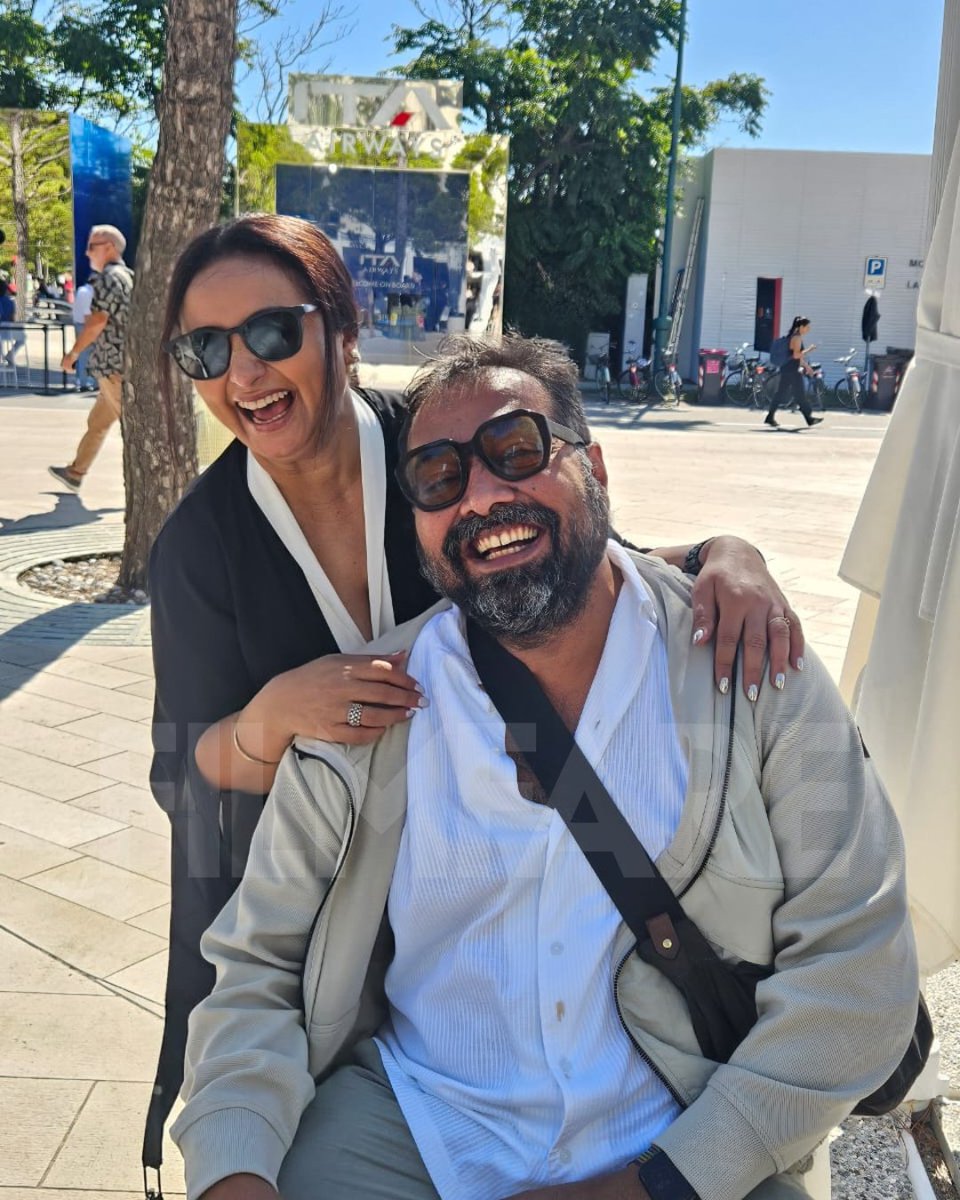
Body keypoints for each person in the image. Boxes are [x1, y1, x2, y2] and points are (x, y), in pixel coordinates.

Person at [171, 332, 918, 1200]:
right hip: (413, 1127)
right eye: (439, 478)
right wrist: (232, 1170)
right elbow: (256, 969)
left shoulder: (750, 666)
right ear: (418, 524)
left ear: (595, 468)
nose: (483, 494)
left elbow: (858, 967)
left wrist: (658, 1185)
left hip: (683, 1138)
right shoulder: (368, 717)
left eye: (516, 450)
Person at [47, 225, 133, 491]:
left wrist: (73, 354)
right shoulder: (127, 276)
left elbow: (97, 322)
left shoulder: (109, 278)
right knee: (97, 423)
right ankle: (75, 472)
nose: (86, 254)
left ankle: (146, 485)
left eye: (91, 247)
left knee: (136, 431)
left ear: (109, 247)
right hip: (117, 365)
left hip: (113, 367)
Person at [764, 316, 823, 430]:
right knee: (799, 395)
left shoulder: (793, 336)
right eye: (807, 327)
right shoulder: (796, 338)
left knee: (781, 393)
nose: (808, 329)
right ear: (800, 327)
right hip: (792, 370)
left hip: (788, 368)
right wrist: (809, 350)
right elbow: (796, 355)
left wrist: (807, 367)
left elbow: (795, 356)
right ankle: (809, 418)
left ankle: (770, 416)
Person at [70, 272, 98, 391]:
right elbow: (87, 314)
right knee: (92, 354)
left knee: (83, 354)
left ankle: (83, 381)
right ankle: (89, 382)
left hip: (80, 325)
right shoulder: (88, 293)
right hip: (86, 326)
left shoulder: (82, 291)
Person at [0, 279, 25, 369]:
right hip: (11, 331)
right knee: (22, 339)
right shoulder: (11, 302)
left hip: (2, 330)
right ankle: (11, 354)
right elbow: (14, 317)